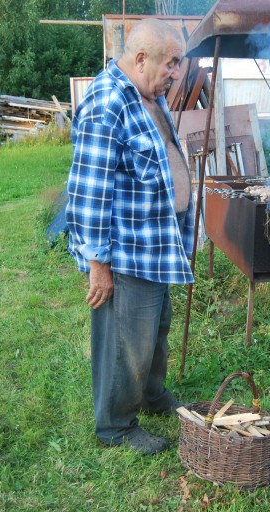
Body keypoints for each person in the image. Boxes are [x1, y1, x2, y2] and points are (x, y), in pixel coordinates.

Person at [65, 19, 194, 455]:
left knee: (154, 331)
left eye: (178, 62)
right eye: (171, 62)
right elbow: (87, 190)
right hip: (126, 253)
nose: (177, 71)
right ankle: (116, 426)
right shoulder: (107, 101)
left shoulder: (146, 94)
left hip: (154, 244)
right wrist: (97, 265)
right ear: (141, 59)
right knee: (126, 342)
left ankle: (153, 397)